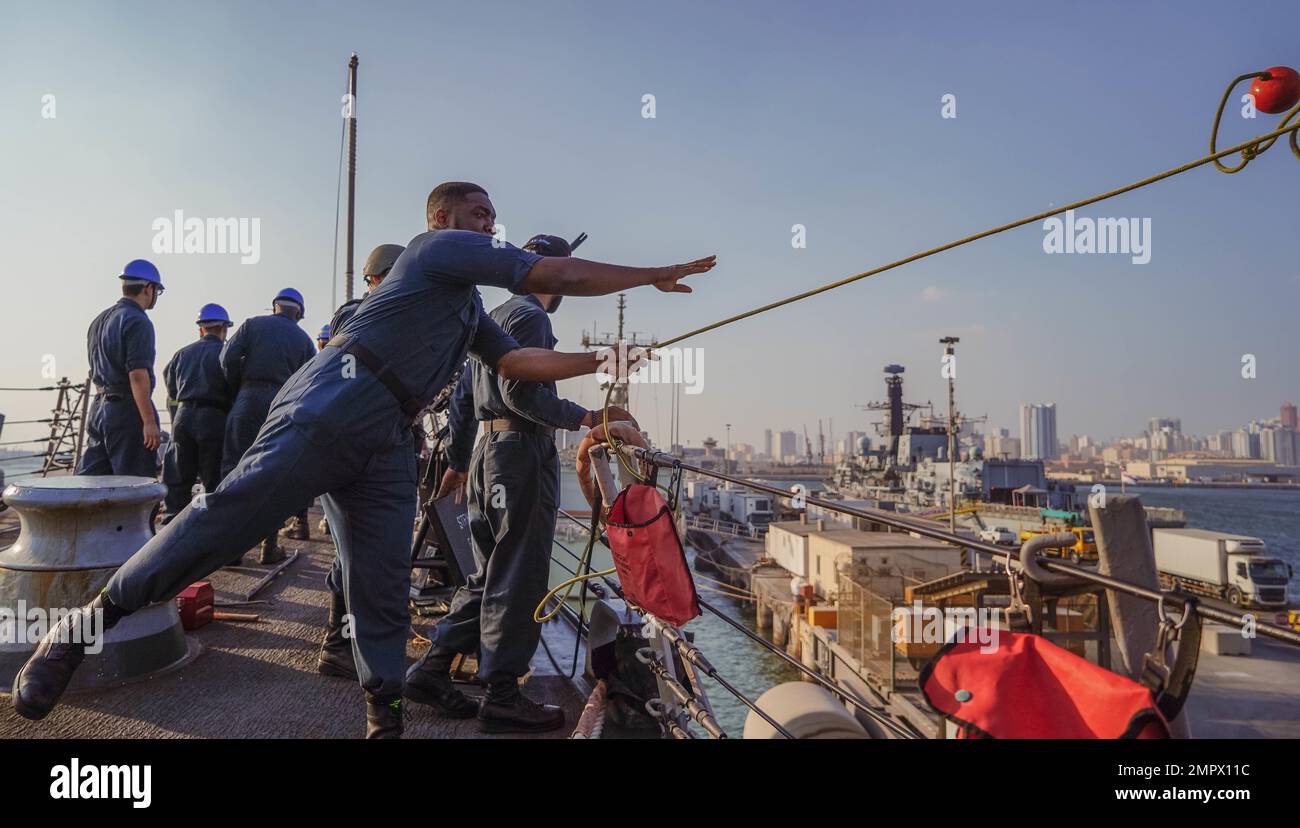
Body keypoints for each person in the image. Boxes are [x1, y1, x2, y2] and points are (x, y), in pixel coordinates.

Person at [14, 181, 714, 738]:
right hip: (333, 405)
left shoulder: (469, 311)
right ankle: (83, 631)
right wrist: (652, 275)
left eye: (492, 216)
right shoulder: (434, 251)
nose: (487, 225)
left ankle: (385, 714)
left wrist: (607, 356)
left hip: (389, 438)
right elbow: (544, 269)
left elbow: (521, 364)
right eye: (477, 213)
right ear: (440, 217)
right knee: (224, 518)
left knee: (382, 582)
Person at [403, 233, 634, 733]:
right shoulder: (533, 317)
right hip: (521, 453)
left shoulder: (492, 317)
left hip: (489, 453)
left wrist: (462, 463)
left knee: (488, 575)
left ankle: (433, 667)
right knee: (520, 573)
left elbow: (466, 400)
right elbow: (521, 393)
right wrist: (588, 416)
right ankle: (503, 695)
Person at [316, 242, 407, 676]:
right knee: (359, 550)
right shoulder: (365, 313)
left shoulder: (352, 313)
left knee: (353, 547)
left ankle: (340, 641)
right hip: (361, 442)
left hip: (359, 438)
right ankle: (340, 644)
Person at [219, 288, 316, 562]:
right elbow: (311, 381)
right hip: (283, 407)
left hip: (247, 400)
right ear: (299, 312)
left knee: (234, 472)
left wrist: (241, 386)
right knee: (273, 473)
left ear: (274, 307)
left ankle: (230, 549)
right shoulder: (304, 340)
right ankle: (268, 546)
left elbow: (226, 359)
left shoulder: (252, 325)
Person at [77, 259, 164, 478]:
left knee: (93, 482)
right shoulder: (138, 321)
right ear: (148, 288)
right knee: (136, 486)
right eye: (157, 291)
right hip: (127, 409)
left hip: (98, 409)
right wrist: (149, 421)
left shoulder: (99, 320)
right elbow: (137, 375)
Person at [160, 304, 234, 524]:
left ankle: (171, 528)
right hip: (214, 418)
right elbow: (235, 389)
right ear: (223, 328)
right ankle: (214, 534)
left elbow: (172, 388)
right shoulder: (227, 354)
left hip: (183, 418)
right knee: (214, 480)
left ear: (201, 329)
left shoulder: (182, 354)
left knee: (179, 477)